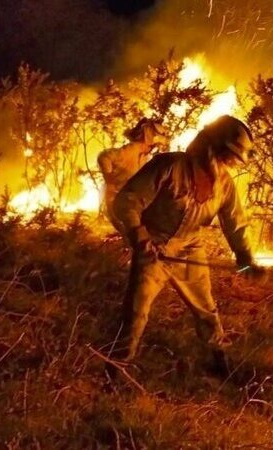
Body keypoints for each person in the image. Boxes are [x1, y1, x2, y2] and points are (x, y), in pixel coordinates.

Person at [112, 115, 265, 373]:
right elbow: (127, 201)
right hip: (154, 249)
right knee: (136, 313)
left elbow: (235, 224)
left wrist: (246, 260)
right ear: (213, 146)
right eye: (228, 155)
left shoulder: (224, 185)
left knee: (207, 311)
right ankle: (116, 367)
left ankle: (221, 365)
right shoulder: (169, 166)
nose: (231, 163)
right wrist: (140, 238)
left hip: (189, 248)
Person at [97, 118, 166, 238]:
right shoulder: (130, 150)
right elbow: (104, 157)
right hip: (119, 202)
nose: (156, 146)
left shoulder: (144, 156)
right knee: (136, 237)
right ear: (149, 136)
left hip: (132, 203)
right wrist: (110, 181)